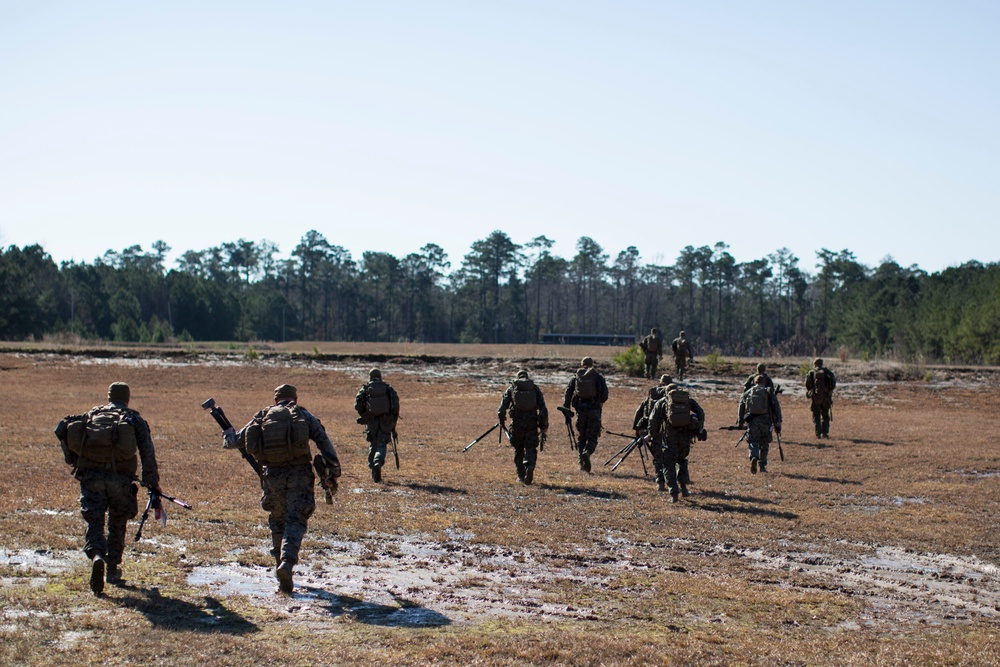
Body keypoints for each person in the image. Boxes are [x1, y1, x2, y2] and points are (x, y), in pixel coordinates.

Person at [227, 384, 341, 594]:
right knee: (296, 519)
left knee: (277, 519)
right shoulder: (303, 415)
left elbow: (234, 441)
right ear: (294, 398)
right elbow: (324, 443)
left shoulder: (263, 416)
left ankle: (279, 564)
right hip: (299, 474)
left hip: (271, 476)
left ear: (276, 399)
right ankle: (287, 564)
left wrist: (227, 435)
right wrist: (334, 470)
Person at [55, 382, 161, 595]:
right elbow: (147, 452)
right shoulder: (133, 418)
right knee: (118, 520)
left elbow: (64, 431)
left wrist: (73, 461)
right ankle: (112, 568)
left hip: (91, 476)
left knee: (94, 520)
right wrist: (152, 482)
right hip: (120, 479)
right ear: (127, 398)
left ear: (109, 396)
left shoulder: (93, 414)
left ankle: (96, 556)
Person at [647, 383, 705, 501]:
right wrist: (699, 428)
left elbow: (653, 419)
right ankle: (684, 488)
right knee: (682, 461)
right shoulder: (688, 400)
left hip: (669, 437)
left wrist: (651, 434)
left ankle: (673, 493)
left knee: (669, 464)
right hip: (685, 437)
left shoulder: (662, 402)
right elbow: (701, 412)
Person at [498, 369, 549, 485]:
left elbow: (502, 407)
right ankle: (529, 465)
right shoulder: (534, 388)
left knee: (518, 448)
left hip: (517, 422)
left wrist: (502, 420)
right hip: (532, 422)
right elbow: (543, 408)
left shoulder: (512, 388)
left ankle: (521, 475)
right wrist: (543, 425)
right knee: (530, 447)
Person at [562, 357, 609, 473]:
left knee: (581, 436)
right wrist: (599, 403)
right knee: (592, 436)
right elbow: (605, 395)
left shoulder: (576, 377)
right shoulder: (598, 377)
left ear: (581, 365)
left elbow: (568, 393)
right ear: (592, 364)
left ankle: (581, 463)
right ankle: (587, 452)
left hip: (580, 410)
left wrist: (566, 408)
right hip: (594, 410)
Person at [354, 369, 400, 483]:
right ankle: (378, 462)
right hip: (386, 422)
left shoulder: (365, 389)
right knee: (381, 445)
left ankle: (373, 468)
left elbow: (358, 404)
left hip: (372, 422)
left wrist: (365, 416)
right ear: (380, 376)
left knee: (373, 444)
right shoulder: (388, 389)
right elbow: (395, 406)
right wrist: (393, 422)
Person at [738, 374, 783, 474]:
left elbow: (741, 405)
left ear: (755, 382)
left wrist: (740, 420)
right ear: (764, 382)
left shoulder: (749, 392)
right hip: (766, 421)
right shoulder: (768, 391)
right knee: (764, 442)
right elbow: (776, 407)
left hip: (752, 421)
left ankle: (754, 456)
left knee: (753, 440)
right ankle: (762, 465)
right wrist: (778, 421)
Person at [805, 358, 836, 438]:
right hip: (826, 398)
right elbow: (833, 384)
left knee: (817, 416)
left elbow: (807, 384)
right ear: (822, 364)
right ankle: (825, 433)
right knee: (825, 415)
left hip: (816, 397)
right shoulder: (828, 373)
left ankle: (818, 433)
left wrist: (811, 392)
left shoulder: (812, 373)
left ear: (815, 364)